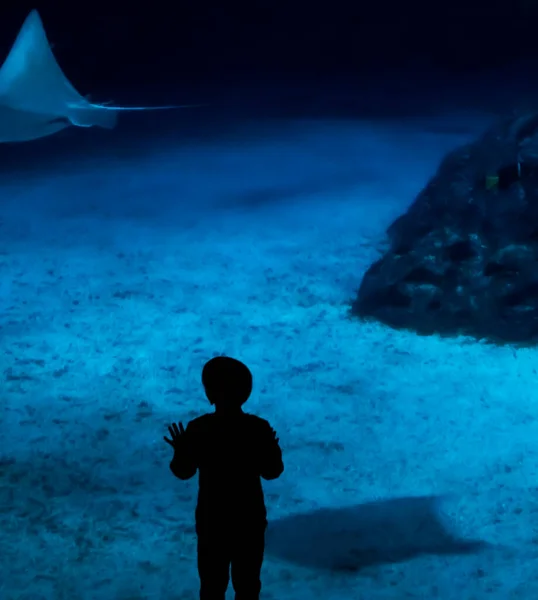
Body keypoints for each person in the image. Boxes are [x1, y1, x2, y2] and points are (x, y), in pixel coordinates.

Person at [164, 356, 284, 600]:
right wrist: (271, 446)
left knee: (211, 586)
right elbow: (273, 471)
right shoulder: (257, 428)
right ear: (245, 392)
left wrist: (181, 450)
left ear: (210, 392)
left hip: (212, 522)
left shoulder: (199, 428)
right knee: (248, 585)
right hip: (248, 521)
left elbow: (183, 472)